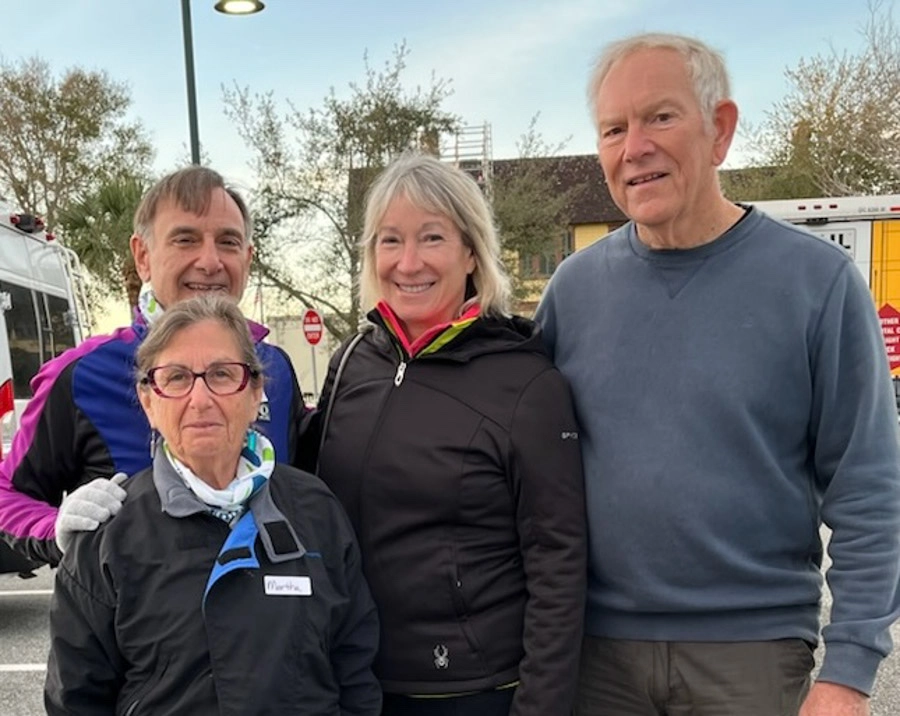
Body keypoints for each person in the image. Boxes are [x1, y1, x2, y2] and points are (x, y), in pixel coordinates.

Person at [535, 32, 900, 716]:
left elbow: (869, 489)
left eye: (660, 117)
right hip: (596, 658)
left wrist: (849, 672)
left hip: (753, 655)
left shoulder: (816, 285)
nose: (634, 146)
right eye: (614, 128)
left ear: (721, 129)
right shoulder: (573, 291)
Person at [305, 151, 586, 716]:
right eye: (389, 240)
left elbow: (559, 561)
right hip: (353, 679)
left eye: (431, 238)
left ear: (471, 252)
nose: (408, 263)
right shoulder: (354, 360)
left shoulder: (526, 381)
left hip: (471, 690)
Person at [44, 295, 380, 715]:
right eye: (177, 377)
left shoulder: (316, 512)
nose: (200, 399)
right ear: (149, 402)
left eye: (222, 374)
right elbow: (76, 701)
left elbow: (355, 671)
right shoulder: (108, 537)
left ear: (256, 391)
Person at [0, 166, 304, 566]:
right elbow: (7, 494)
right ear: (143, 256)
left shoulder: (273, 368)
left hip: (268, 622)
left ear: (247, 259)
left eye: (228, 242)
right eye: (185, 239)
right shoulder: (83, 376)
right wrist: (56, 529)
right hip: (134, 623)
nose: (210, 261)